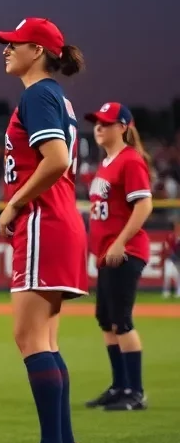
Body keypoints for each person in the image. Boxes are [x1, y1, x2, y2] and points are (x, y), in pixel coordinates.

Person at [0, 18, 87, 443]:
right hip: (60, 220)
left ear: (37, 50)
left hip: (43, 222)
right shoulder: (54, 97)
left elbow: (56, 159)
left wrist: (14, 203)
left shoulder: (37, 94)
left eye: (13, 44)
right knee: (46, 340)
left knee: (29, 338)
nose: (5, 50)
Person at [82, 103, 154, 412]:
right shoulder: (108, 162)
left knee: (121, 320)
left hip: (125, 251)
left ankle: (134, 391)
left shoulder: (130, 161)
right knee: (106, 319)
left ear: (123, 127)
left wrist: (120, 242)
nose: (99, 127)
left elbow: (143, 206)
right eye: (97, 122)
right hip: (107, 253)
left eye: (106, 123)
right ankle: (119, 385)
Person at [163, 221, 180, 298]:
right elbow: (167, 247)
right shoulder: (170, 235)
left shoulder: (177, 236)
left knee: (177, 276)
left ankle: (178, 292)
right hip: (170, 258)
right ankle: (166, 292)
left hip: (177, 258)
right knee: (168, 275)